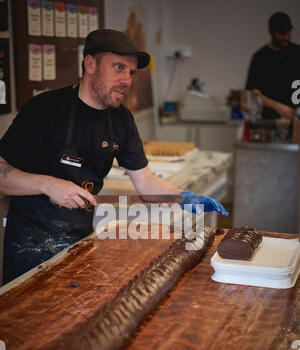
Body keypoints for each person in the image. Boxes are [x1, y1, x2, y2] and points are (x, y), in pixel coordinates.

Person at [0, 29, 228, 285]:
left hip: (79, 244)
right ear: (90, 64)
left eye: (131, 72)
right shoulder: (46, 110)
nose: (127, 80)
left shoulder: (121, 120)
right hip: (30, 249)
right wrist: (47, 184)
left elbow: (144, 181)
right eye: (118, 67)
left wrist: (180, 196)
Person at [246, 12, 300, 119]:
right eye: (281, 33)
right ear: (271, 32)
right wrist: (278, 107)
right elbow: (254, 93)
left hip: (296, 118)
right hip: (270, 120)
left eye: (288, 32)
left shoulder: (297, 52)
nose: (286, 37)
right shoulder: (261, 57)